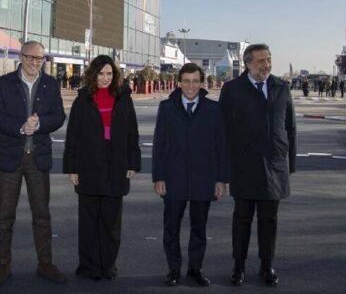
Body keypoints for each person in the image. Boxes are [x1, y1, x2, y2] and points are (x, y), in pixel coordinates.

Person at [0, 40, 67, 286]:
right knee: (4, 216)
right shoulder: (4, 83)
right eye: (30, 57)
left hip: (38, 159)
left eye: (39, 58)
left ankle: (45, 264)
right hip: (10, 157)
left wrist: (40, 124)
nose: (35, 62)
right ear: (20, 57)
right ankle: (3, 266)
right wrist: (20, 128)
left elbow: (59, 116)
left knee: (42, 215)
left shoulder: (51, 84)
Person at [219, 43, 296, 287]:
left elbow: (290, 127)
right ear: (248, 64)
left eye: (268, 59)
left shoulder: (281, 87)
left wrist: (290, 163)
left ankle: (267, 266)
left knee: (269, 220)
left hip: (274, 165)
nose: (267, 65)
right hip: (244, 165)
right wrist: (223, 168)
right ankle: (238, 266)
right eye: (261, 60)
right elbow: (222, 130)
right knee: (242, 219)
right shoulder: (232, 89)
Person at [63, 55, 141, 280]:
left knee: (111, 223)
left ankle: (108, 266)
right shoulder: (83, 100)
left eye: (109, 73)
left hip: (116, 164)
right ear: (93, 75)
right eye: (101, 73)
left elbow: (132, 133)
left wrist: (133, 162)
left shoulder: (124, 98)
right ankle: (89, 267)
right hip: (89, 164)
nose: (105, 78)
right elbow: (73, 135)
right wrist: (72, 168)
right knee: (88, 222)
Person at [152, 63, 229, 287]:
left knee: (199, 228)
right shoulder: (167, 107)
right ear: (179, 83)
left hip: (203, 179)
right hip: (173, 178)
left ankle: (195, 269)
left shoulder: (213, 109)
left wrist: (221, 179)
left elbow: (221, 146)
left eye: (195, 81)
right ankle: (173, 270)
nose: (191, 86)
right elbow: (159, 145)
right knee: (171, 228)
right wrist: (158, 177)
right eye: (186, 81)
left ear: (202, 83)